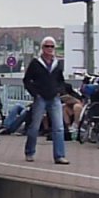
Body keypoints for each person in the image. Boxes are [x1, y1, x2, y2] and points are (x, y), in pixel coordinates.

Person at [22, 36, 68, 164]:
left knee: (58, 127)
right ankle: (29, 151)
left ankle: (59, 155)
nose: (49, 49)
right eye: (47, 46)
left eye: (52, 46)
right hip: (40, 98)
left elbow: (61, 80)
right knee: (35, 126)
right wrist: (35, 93)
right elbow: (27, 80)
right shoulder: (36, 63)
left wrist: (59, 91)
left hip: (54, 98)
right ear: (42, 48)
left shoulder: (57, 64)